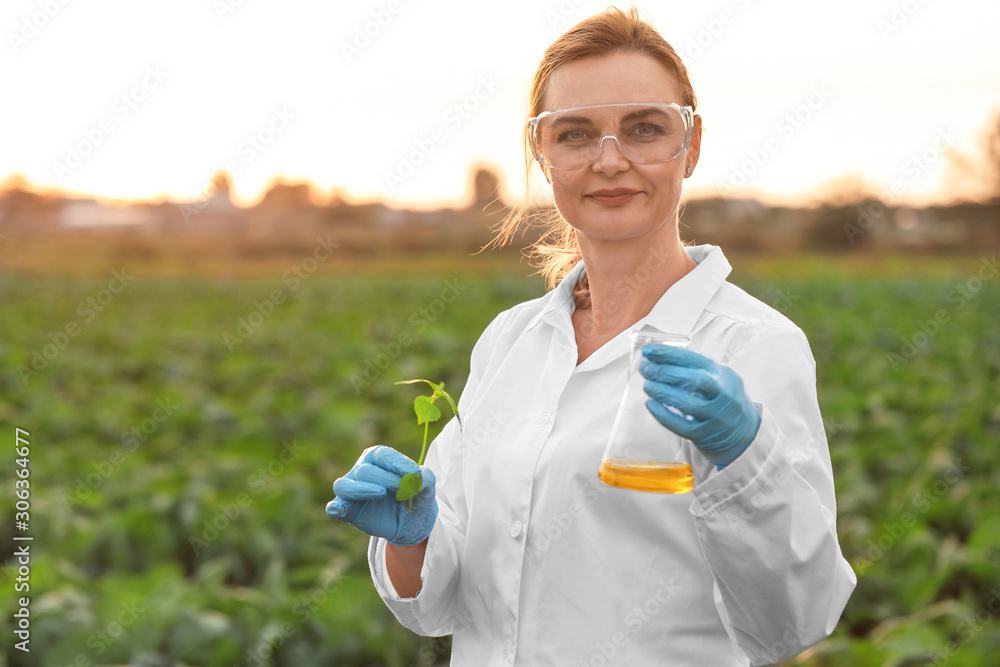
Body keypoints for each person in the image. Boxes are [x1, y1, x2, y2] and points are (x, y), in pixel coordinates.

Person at [326, 6, 856, 665]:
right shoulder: (510, 340)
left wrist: (744, 457)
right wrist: (415, 536)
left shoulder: (754, 347)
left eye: (644, 128)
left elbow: (795, 619)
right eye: (575, 134)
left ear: (689, 147)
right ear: (543, 156)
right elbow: (439, 599)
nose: (610, 160)